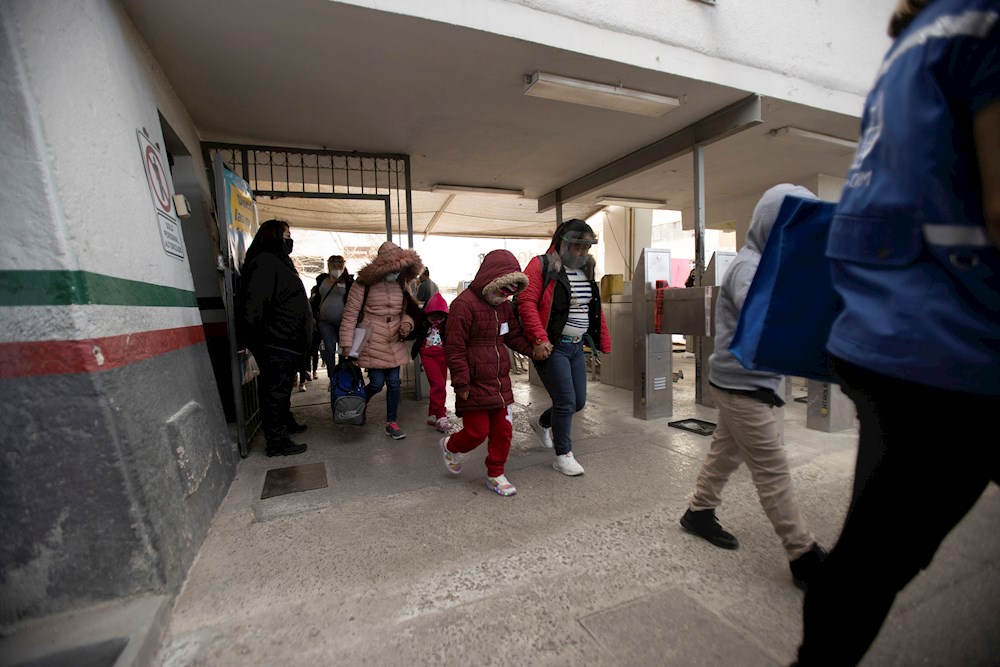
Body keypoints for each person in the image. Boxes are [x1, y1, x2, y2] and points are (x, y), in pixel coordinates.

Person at [796, 1, 1000, 664]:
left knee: (873, 550)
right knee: (876, 553)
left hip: (883, 333)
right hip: (957, 340)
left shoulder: (913, 43)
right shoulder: (987, 24)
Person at [678, 184, 827, 590]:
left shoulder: (769, 264)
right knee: (772, 470)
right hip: (743, 386)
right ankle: (803, 553)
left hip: (745, 382)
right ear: (770, 224)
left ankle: (698, 512)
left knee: (726, 453)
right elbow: (769, 317)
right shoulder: (750, 268)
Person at [516, 219, 612, 476]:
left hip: (576, 347)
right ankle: (563, 455)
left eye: (586, 248)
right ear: (563, 242)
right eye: (577, 247)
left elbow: (593, 308)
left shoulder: (586, 269)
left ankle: (542, 423)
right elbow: (526, 301)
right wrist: (539, 339)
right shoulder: (542, 265)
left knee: (578, 402)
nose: (582, 253)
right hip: (552, 346)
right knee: (566, 401)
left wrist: (602, 339)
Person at [438, 249, 536, 496]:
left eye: (511, 293)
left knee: (503, 430)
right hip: (472, 382)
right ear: (491, 280)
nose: (505, 297)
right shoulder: (463, 305)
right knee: (476, 432)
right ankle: (450, 445)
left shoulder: (503, 307)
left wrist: (534, 351)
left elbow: (512, 335)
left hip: (500, 381)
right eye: (503, 290)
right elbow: (455, 348)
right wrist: (461, 383)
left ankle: (496, 473)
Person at [238, 219, 312, 456]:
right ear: (273, 236)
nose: (289, 240)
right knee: (275, 390)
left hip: (285, 340)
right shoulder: (265, 263)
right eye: (286, 235)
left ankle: (285, 423)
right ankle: (277, 441)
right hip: (276, 341)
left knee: (281, 388)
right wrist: (258, 337)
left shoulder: (278, 261)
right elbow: (255, 306)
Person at [339, 241, 423, 440]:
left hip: (394, 337)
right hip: (372, 337)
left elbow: (409, 310)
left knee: (394, 382)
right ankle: (361, 402)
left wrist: (407, 324)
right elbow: (350, 313)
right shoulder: (363, 284)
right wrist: (346, 344)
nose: (396, 272)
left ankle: (391, 422)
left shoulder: (402, 283)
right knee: (376, 384)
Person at [411, 292, 452, 433]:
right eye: (432, 318)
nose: (436, 321)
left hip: (443, 356)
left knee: (441, 386)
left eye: (439, 318)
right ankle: (441, 416)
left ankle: (432, 414)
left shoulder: (447, 323)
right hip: (427, 356)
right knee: (438, 385)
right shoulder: (421, 322)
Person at [314, 255, 354, 377]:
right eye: (333, 263)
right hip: (325, 322)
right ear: (329, 265)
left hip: (343, 322)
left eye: (339, 263)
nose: (336, 266)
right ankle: (332, 377)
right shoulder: (322, 279)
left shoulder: (348, 281)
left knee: (343, 350)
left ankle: (342, 375)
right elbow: (317, 299)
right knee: (329, 350)